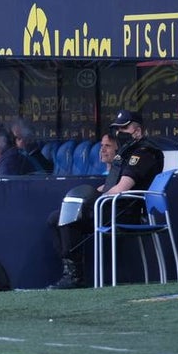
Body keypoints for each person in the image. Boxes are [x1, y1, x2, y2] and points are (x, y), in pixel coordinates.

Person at [47, 110, 164, 290]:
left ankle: (75, 278)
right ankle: (69, 270)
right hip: (110, 209)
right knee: (57, 217)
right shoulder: (127, 151)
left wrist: (93, 200)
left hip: (123, 212)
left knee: (69, 218)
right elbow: (110, 186)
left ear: (138, 131)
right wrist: (89, 194)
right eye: (117, 128)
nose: (119, 132)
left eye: (124, 127)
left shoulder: (142, 154)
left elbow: (121, 189)